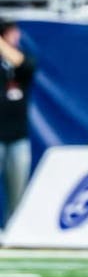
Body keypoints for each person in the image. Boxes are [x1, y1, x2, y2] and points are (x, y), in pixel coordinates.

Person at [0, 18, 33, 227]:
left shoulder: (22, 57)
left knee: (18, 194)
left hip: (18, 136)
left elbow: (25, 66)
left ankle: (14, 231)